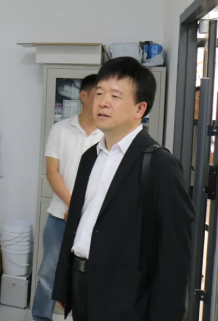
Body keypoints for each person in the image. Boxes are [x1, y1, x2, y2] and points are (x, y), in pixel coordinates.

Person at [52, 57, 194, 321]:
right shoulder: (90, 157)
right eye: (100, 93)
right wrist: (63, 283)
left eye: (115, 96)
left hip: (127, 297)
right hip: (82, 286)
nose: (103, 102)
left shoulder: (160, 165)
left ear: (140, 109)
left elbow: (175, 253)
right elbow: (76, 224)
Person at [32, 75, 103, 321]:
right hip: (58, 217)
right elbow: (52, 172)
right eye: (99, 94)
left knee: (90, 274)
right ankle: (41, 317)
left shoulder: (107, 134)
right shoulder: (60, 130)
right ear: (84, 96)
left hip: (94, 220)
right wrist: (73, 206)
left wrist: (81, 211)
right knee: (49, 272)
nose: (104, 100)